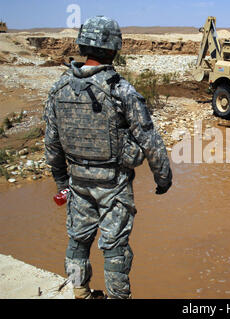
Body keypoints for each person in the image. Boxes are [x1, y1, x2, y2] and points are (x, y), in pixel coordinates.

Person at [44, 16, 172, 299]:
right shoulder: (120, 90)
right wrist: (163, 178)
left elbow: (51, 144)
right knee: (115, 249)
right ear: (114, 49)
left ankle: (80, 291)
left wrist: (61, 182)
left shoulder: (58, 89)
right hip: (113, 186)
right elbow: (149, 139)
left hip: (78, 183)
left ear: (82, 45)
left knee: (78, 242)